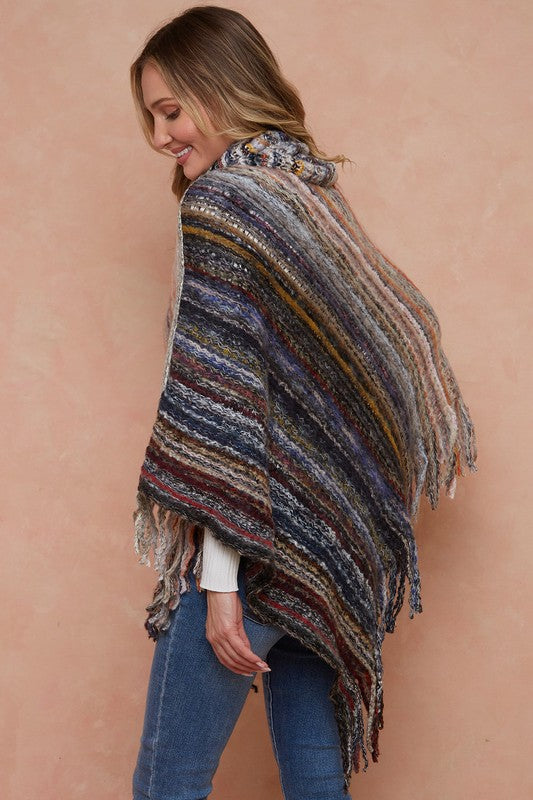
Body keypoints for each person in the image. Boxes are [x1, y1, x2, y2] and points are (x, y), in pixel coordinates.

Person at [129, 6, 477, 800]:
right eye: (150, 118)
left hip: (250, 552)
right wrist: (341, 509)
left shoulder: (223, 204)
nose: (159, 137)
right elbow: (397, 344)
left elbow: (227, 409)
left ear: (221, 89)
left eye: (171, 111)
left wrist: (221, 583)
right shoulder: (311, 196)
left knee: (166, 784)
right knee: (316, 784)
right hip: (327, 555)